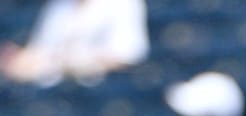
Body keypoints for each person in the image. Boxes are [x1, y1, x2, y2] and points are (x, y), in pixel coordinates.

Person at [0, 0, 149, 86]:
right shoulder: (59, 5)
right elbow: (41, 51)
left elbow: (129, 54)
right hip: (58, 89)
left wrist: (76, 59)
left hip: (103, 86)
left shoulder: (123, 3)